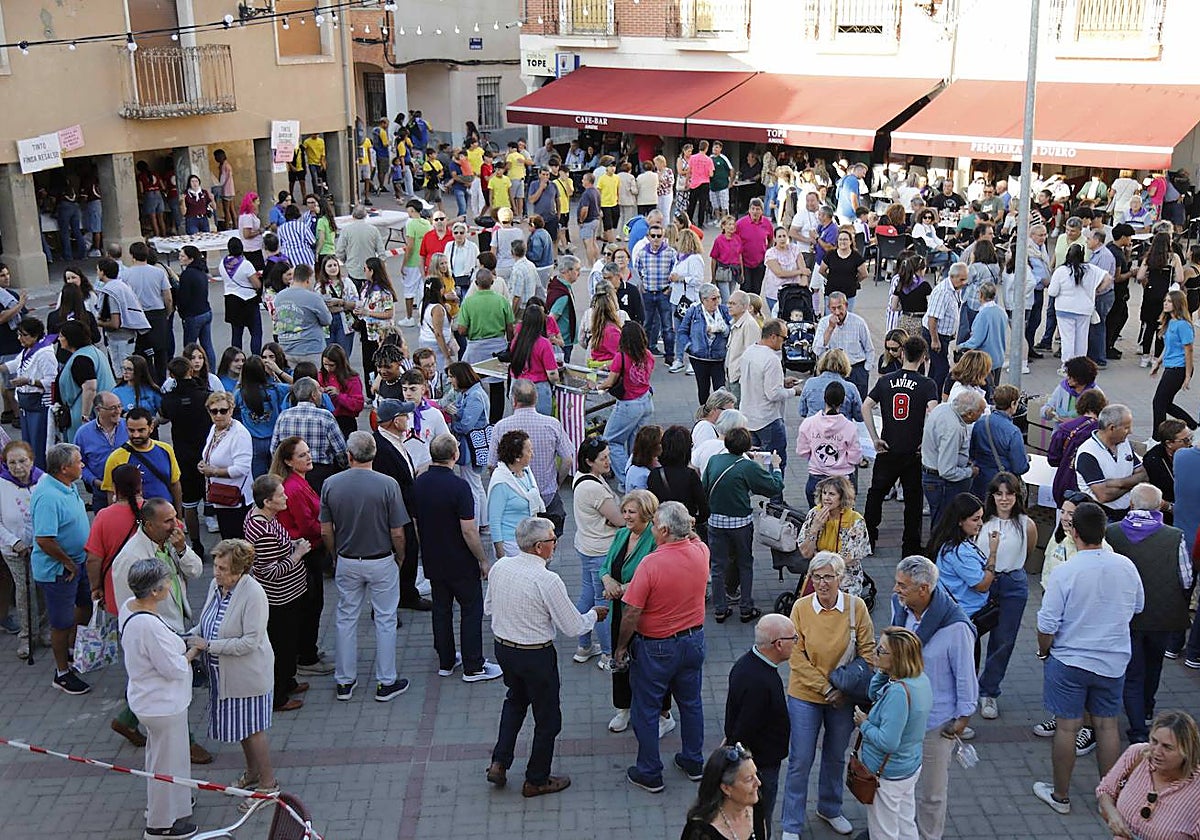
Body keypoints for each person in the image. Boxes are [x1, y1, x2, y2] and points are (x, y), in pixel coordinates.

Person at [484, 516, 609, 797]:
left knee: (514, 702)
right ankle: (536, 778)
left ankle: (500, 761)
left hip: (504, 648)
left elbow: (489, 607)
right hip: (535, 655)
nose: (556, 544)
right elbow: (572, 627)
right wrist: (593, 614)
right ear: (540, 546)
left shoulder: (501, 566)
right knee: (548, 718)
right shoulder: (547, 579)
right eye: (553, 539)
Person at [1033, 501, 1144, 815]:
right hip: (1112, 661)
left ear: (1074, 532)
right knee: (1107, 727)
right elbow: (1138, 607)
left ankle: (1061, 795)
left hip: (1069, 661)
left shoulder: (1066, 571)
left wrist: (1044, 651)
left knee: (1067, 729)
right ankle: (1108, 799)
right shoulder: (1126, 565)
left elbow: (1046, 624)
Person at [612, 501, 709, 793]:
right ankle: (693, 761)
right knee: (691, 703)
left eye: (655, 525)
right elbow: (696, 539)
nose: (651, 529)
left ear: (664, 530)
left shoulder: (651, 563)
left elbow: (631, 613)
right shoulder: (701, 552)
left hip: (656, 647)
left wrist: (620, 647)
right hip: (693, 640)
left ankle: (649, 771)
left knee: (646, 707)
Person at [780, 551, 876, 840]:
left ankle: (830, 808)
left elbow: (868, 652)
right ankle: (791, 824)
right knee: (800, 759)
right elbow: (795, 657)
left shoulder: (856, 607)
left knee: (835, 755)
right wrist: (827, 688)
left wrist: (842, 689)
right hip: (806, 695)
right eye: (817, 577)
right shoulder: (800, 608)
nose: (822, 583)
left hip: (844, 697)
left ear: (841, 578)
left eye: (829, 577)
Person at [889, 555, 977, 840]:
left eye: (903, 586)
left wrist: (962, 718)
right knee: (897, 787)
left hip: (935, 724)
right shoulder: (900, 609)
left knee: (932, 793)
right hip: (901, 717)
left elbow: (966, 676)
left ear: (924, 589)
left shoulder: (956, 628)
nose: (896, 590)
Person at [321, 431, 410, 702]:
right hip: (381, 559)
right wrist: (400, 556)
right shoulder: (388, 485)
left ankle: (345, 681)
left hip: (347, 559)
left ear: (349, 456)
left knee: (346, 618)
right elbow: (397, 531)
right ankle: (386, 681)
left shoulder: (331, 484)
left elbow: (326, 529)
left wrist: (335, 554)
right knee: (385, 619)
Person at [120, 558, 203, 840]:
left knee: (163, 759)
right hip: (163, 704)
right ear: (154, 591)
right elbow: (173, 667)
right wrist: (194, 651)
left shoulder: (129, 607)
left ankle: (176, 803)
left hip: (148, 700)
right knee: (166, 764)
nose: (170, 586)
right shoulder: (149, 626)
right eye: (167, 582)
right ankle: (161, 824)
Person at [192, 538, 280, 802]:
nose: (215, 572)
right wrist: (190, 640)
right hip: (223, 676)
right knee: (242, 729)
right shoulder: (215, 586)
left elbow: (249, 642)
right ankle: (252, 772)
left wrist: (209, 646)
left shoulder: (254, 594)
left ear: (240, 570)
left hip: (248, 675)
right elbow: (205, 621)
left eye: (222, 568)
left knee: (253, 730)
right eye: (216, 566)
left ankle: (269, 783)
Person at [1104, 484, 1191, 744]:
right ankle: (1147, 708)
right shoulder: (1175, 536)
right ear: (1159, 507)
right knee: (1154, 664)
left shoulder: (1111, 533)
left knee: (1132, 671)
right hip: (1161, 616)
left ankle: (1137, 726)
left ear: (1131, 504)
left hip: (1125, 615)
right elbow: (1186, 579)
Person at [413, 433, 498, 682]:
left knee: (441, 609)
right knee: (471, 610)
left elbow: (417, 523)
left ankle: (446, 661)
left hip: (433, 557)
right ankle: (474, 666)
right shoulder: (460, 486)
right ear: (455, 455)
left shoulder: (419, 483)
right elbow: (469, 530)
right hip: (460, 560)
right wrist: (482, 559)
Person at [853, 627, 934, 840]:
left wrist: (864, 724)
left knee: (884, 832)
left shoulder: (899, 692)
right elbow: (873, 694)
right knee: (906, 824)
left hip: (887, 774)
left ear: (897, 657)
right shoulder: (920, 680)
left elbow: (888, 742)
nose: (876, 652)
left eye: (882, 650)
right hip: (909, 767)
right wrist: (883, 670)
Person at [863, 335, 938, 557]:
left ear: (902, 353)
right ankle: (910, 547)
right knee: (913, 501)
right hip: (912, 451)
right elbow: (933, 414)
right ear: (924, 357)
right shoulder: (927, 384)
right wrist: (925, 442)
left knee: (876, 494)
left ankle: (868, 540)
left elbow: (866, 406)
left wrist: (874, 437)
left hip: (887, 448)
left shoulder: (886, 380)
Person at [972, 473, 1038, 722]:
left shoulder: (1026, 524)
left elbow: (1029, 549)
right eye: (999, 493)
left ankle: (989, 691)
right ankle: (967, 686)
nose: (1004, 499)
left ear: (1017, 495)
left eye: (1009, 493)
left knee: (1004, 640)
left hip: (1013, 583)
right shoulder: (981, 521)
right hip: (984, 582)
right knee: (971, 634)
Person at [243, 474, 309, 713]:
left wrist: (291, 544)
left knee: (289, 644)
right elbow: (270, 571)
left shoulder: (265, 517)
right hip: (279, 598)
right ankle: (278, 696)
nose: (286, 497)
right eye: (281, 495)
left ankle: (288, 682)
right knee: (282, 646)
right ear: (268, 501)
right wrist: (298, 553)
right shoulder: (262, 529)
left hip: (289, 593)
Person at [724, 613, 794, 838]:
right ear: (779, 644)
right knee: (759, 818)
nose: (797, 642)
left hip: (756, 760)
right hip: (760, 764)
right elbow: (746, 727)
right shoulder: (761, 682)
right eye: (794, 638)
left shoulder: (747, 664)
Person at [31, 444, 93, 695]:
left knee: (86, 606)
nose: (83, 465)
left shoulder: (66, 485)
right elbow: (44, 539)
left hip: (77, 563)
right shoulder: (48, 497)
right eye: (79, 462)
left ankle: (71, 650)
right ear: (64, 468)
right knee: (61, 622)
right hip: (60, 570)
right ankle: (62, 673)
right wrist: (67, 562)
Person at [703, 426, 782, 623]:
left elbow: (704, 486)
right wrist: (776, 466)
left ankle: (720, 608)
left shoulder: (714, 460)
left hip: (716, 521)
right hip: (740, 523)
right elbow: (773, 487)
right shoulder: (748, 466)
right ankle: (746, 607)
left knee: (718, 565)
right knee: (744, 563)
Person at [487, 379, 576, 535]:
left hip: (515, 500)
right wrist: (556, 483)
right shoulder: (552, 424)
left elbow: (491, 465)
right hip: (547, 496)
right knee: (548, 544)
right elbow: (568, 459)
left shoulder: (501, 427)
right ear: (536, 399)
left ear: (513, 400)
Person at [1096, 711, 1200, 840]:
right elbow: (1105, 790)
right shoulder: (1137, 755)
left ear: (1187, 752)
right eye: (1154, 741)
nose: (1156, 751)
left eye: (1167, 747)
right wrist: (1112, 814)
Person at [591, 322, 656, 491]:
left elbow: (610, 382)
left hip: (628, 404)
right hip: (646, 401)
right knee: (637, 444)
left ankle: (626, 478)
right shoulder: (648, 355)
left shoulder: (622, 356)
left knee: (611, 441)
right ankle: (639, 479)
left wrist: (595, 387)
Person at [739, 320, 803, 482]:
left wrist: (781, 381)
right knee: (777, 462)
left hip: (748, 417)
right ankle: (775, 501)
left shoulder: (749, 352)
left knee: (751, 460)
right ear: (773, 337)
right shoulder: (771, 359)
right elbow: (773, 394)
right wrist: (793, 391)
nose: (785, 342)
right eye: (784, 338)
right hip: (768, 418)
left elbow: (758, 381)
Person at [0, 441, 44, 661]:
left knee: (42, 590)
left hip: (42, 547)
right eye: (11, 463)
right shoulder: (1, 485)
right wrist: (14, 541)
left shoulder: (43, 481)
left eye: (22, 461)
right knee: (24, 591)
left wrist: (40, 540)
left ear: (32, 461)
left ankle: (42, 630)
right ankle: (27, 636)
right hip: (13, 549)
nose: (17, 467)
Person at [795, 475, 871, 597]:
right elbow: (805, 553)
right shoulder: (814, 513)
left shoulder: (855, 521)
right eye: (824, 493)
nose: (826, 498)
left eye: (832, 494)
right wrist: (815, 529)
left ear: (842, 497)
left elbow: (850, 558)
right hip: (819, 572)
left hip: (843, 575)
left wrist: (824, 566)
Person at [921, 391, 985, 531]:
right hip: (940, 482)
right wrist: (969, 472)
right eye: (980, 412)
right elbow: (947, 471)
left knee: (940, 520)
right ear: (969, 413)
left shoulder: (943, 408)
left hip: (932, 474)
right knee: (944, 525)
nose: (982, 415)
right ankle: (939, 551)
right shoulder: (953, 429)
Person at [271, 377, 348, 491]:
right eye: (318, 389)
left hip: (292, 471)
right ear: (313, 395)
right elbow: (341, 450)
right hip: (320, 473)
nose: (321, 391)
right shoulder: (325, 416)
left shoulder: (284, 416)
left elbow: (274, 449)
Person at [101, 407, 182, 514]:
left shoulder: (166, 450)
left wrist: (179, 517)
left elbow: (175, 484)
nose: (136, 435)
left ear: (151, 427)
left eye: (141, 430)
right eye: (131, 430)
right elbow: (111, 493)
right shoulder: (116, 457)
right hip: (134, 517)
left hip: (166, 515)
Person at [1074, 403, 1147, 521]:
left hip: (1127, 514)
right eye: (1126, 428)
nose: (1130, 432)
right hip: (1102, 518)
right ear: (1111, 428)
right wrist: (1132, 484)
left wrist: (1118, 483)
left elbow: (1143, 474)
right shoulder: (1088, 453)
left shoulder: (1124, 443)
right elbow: (1103, 495)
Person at [796, 381, 861, 508]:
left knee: (817, 520)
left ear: (824, 399)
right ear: (842, 402)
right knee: (842, 522)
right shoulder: (849, 427)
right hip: (843, 482)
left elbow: (802, 451)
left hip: (816, 480)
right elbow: (855, 458)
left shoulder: (809, 423)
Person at [679, 744, 764, 840]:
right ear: (726, 789)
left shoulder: (755, 804)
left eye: (756, 774)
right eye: (749, 779)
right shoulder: (700, 832)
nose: (758, 783)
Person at [7, 317, 57, 470]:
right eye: (19, 334)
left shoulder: (45, 353)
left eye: (24, 335)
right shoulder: (27, 350)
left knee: (38, 444)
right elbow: (15, 364)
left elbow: (51, 380)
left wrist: (29, 381)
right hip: (25, 404)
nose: (20, 338)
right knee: (27, 444)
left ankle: (39, 474)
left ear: (35, 336)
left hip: (39, 405)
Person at [58, 320, 117, 443]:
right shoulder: (94, 352)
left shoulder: (81, 359)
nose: (59, 339)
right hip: (103, 410)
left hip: (85, 413)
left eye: (61, 336)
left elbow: (90, 387)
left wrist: (84, 416)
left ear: (70, 338)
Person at [444, 362, 490, 516]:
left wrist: (454, 417)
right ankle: (484, 521)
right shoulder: (467, 393)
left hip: (471, 446)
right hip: (472, 445)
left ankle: (475, 524)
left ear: (461, 377)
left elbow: (465, 426)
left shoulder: (475, 396)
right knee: (476, 485)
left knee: (472, 487)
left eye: (452, 377)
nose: (450, 381)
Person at [968, 384, 1030, 497]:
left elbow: (972, 453)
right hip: (1002, 486)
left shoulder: (980, 422)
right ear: (1012, 404)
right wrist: (1026, 460)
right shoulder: (1013, 432)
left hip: (980, 482)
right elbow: (1020, 467)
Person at [812, 293, 873, 400]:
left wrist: (865, 370)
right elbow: (817, 350)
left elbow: (869, 349)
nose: (837, 312)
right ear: (828, 308)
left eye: (840, 307)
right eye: (833, 308)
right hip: (833, 370)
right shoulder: (824, 323)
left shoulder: (858, 322)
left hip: (856, 369)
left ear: (846, 305)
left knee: (858, 406)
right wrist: (830, 329)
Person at [679, 284, 732, 406]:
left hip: (719, 358)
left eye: (719, 297)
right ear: (704, 299)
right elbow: (682, 331)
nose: (717, 301)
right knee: (703, 390)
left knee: (720, 390)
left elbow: (733, 329)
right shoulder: (693, 311)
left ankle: (720, 415)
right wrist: (689, 347)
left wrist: (724, 329)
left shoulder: (724, 311)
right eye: (714, 299)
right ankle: (704, 415)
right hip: (699, 358)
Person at [1150, 289, 1196, 430]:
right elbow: (1168, 347)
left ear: (1177, 304)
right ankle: (1194, 426)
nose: (1165, 303)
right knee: (1165, 403)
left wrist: (1187, 376)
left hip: (1179, 369)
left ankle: (1157, 438)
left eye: (1169, 301)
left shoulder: (1183, 325)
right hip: (1171, 367)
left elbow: (1189, 351)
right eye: (1165, 300)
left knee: (1158, 402)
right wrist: (1158, 362)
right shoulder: (1171, 322)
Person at [508, 306, 560, 416]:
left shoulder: (517, 340)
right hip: (538, 388)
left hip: (517, 385)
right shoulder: (544, 343)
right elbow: (552, 374)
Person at [219, 237, 264, 356]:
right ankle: (256, 358)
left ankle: (235, 358)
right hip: (248, 300)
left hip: (231, 300)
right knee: (256, 333)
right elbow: (256, 284)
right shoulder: (245, 264)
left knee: (236, 333)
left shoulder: (222, 263)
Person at [797, 349, 863, 422]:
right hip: (841, 429)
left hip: (814, 429)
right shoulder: (851, 388)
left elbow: (802, 411)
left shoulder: (810, 383)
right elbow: (860, 416)